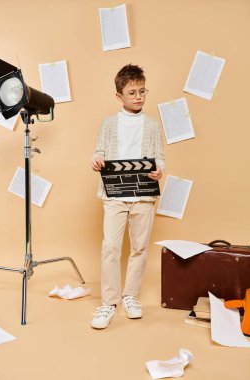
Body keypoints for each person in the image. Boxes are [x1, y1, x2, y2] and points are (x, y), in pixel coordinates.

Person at [91, 64, 165, 329]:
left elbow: (160, 158)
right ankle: (108, 303)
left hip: (143, 194)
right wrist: (97, 160)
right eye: (132, 92)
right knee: (110, 246)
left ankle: (130, 296)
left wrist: (159, 170)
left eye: (142, 91)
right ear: (119, 95)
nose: (139, 96)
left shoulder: (153, 125)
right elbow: (98, 151)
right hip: (115, 192)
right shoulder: (109, 123)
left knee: (140, 247)